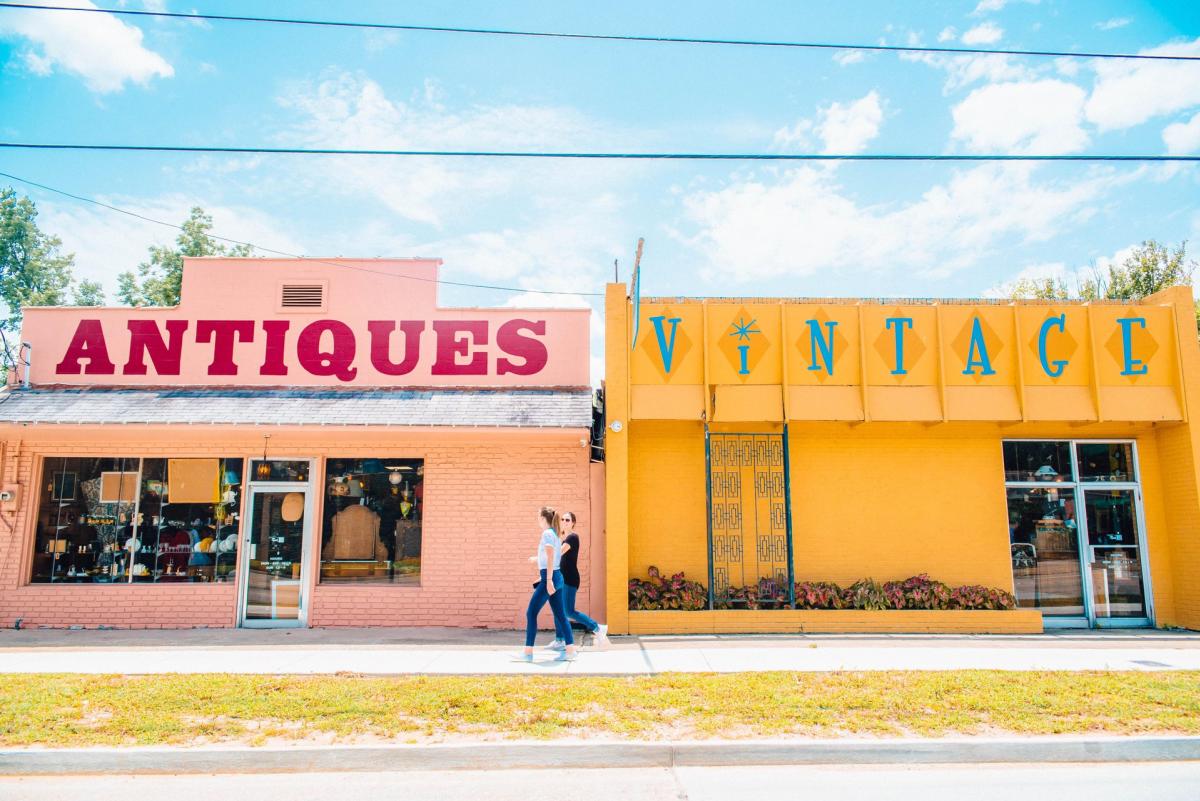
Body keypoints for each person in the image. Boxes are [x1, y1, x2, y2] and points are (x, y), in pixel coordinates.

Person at [517, 506, 576, 662]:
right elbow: (550, 557)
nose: (538, 520)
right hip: (555, 576)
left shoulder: (547, 534)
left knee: (531, 613)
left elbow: (550, 557)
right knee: (561, 615)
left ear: (543, 519)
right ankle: (571, 651)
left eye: (539, 517)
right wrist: (539, 565)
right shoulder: (555, 534)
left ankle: (528, 652)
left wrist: (548, 580)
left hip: (550, 578)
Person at [546, 512, 608, 650]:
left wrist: (541, 557)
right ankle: (560, 640)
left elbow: (559, 553)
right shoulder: (563, 538)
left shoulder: (573, 537)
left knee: (568, 611)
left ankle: (597, 628)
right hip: (562, 579)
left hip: (570, 579)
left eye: (567, 519)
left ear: (573, 522)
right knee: (558, 610)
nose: (564, 521)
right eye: (562, 519)